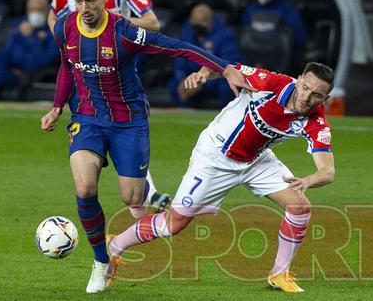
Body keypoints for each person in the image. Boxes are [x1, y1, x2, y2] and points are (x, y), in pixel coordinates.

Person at [39, 0, 254, 294]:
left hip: (128, 121)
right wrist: (57, 106)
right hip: (88, 117)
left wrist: (225, 68)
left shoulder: (125, 33)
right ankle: (102, 262)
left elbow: (178, 47)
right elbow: (67, 66)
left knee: (132, 198)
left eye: (91, 1)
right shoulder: (64, 26)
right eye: (79, 1)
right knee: (84, 188)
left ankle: (130, 230)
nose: (85, 8)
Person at [108, 62, 336, 293]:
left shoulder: (316, 121)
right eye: (305, 88)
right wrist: (203, 73)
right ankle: (115, 245)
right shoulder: (270, 84)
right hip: (215, 157)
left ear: (325, 98)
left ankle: (279, 274)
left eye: (317, 94)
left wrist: (307, 181)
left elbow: (327, 171)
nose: (307, 97)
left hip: (255, 160)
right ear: (298, 80)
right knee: (173, 224)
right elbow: (227, 68)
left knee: (299, 206)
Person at [48, 0, 165, 210]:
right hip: (84, 76)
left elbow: (153, 22)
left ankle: (145, 193)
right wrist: (67, 45)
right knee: (90, 157)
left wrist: (124, 22)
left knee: (124, 127)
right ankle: (121, 204)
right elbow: (53, 17)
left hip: (120, 73)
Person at [0, 0, 59, 100]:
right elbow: (9, 51)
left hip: (34, 74)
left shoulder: (55, 30)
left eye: (39, 10)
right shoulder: (19, 25)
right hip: (15, 72)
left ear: (48, 10)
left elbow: (41, 60)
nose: (35, 13)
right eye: (32, 10)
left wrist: (30, 38)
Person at [169, 3, 245, 109]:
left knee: (226, 87)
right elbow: (180, 59)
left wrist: (202, 82)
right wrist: (182, 78)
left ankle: (225, 116)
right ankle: (186, 114)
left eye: (203, 21)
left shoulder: (224, 34)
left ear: (210, 20)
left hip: (215, 79)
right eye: (194, 21)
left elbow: (229, 64)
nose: (198, 25)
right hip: (194, 77)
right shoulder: (187, 32)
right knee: (174, 85)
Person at [241, 0, 308, 76]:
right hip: (253, 60)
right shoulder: (251, 8)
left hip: (279, 61)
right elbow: (243, 34)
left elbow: (299, 36)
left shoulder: (285, 8)